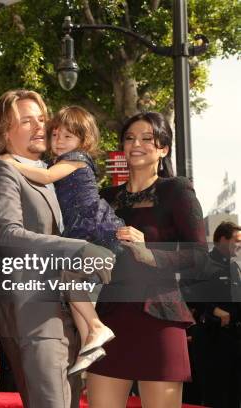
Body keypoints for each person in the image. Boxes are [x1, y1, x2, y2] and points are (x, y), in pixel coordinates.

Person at [0, 90, 114, 408]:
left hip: (67, 313)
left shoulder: (52, 172)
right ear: (4, 129)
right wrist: (79, 249)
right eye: (27, 120)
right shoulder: (2, 170)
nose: (40, 126)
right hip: (34, 315)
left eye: (42, 119)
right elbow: (6, 233)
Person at [86, 112, 209, 408]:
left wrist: (149, 252)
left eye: (146, 138)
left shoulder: (176, 191)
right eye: (129, 138)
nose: (136, 144)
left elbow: (200, 257)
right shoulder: (105, 197)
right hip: (109, 320)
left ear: (163, 148)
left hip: (159, 320)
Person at [0, 106, 122, 375]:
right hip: (79, 230)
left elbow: (44, 177)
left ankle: (96, 328)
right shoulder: (60, 160)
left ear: (83, 140)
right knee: (72, 286)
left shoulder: (77, 159)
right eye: (55, 134)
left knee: (68, 280)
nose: (59, 140)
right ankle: (90, 341)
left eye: (68, 136)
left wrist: (8, 162)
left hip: (92, 229)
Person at [192, 221, 241, 408]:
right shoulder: (204, 264)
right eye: (236, 240)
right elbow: (187, 293)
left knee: (234, 394)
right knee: (216, 395)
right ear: (222, 239)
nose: (240, 245)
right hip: (211, 340)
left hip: (233, 340)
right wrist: (212, 309)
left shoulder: (234, 268)